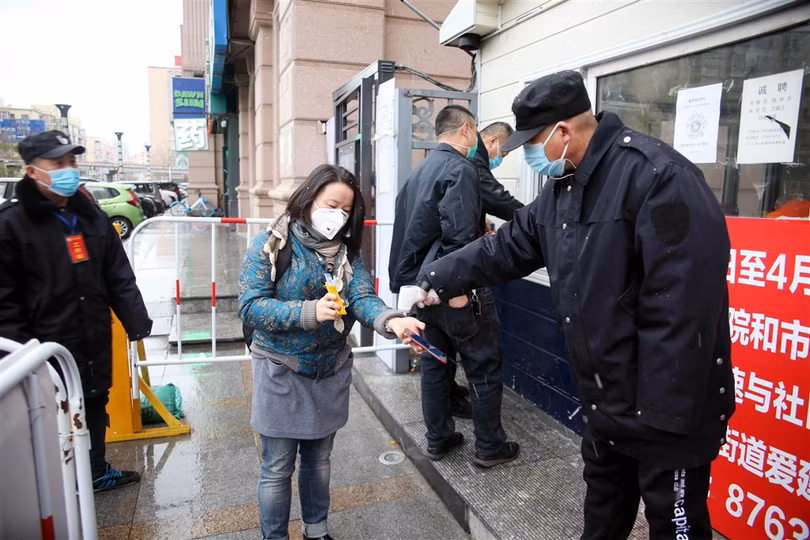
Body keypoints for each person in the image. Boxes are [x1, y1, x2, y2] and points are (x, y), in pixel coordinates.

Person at [404, 71, 734, 539]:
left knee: (674, 525)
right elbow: (506, 248)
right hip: (608, 398)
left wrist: (660, 423)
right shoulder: (563, 188)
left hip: (669, 409)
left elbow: (684, 313)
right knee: (602, 516)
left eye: (533, 142)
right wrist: (432, 280)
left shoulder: (659, 178)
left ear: (563, 132)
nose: (531, 157)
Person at [238, 164, 425, 540]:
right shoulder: (270, 244)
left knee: (318, 461)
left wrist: (392, 321)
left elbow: (361, 297)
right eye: (330, 205)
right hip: (280, 369)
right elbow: (250, 306)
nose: (336, 217)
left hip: (328, 370)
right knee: (277, 467)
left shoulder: (346, 254)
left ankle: (316, 530)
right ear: (309, 199)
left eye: (345, 210)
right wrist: (309, 312)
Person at [0, 131, 153, 491]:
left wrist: (136, 320)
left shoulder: (90, 217)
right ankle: (51, 483)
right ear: (33, 172)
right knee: (47, 413)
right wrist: (21, 355)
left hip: (91, 331)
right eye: (58, 164)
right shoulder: (11, 224)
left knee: (94, 400)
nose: (69, 170)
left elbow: (117, 273)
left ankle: (95, 470)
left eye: (72, 162)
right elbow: (4, 301)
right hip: (42, 343)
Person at [389, 104, 520, 468]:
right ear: (467, 130)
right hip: (453, 287)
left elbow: (414, 231)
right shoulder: (460, 168)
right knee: (483, 364)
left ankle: (439, 438)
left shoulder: (420, 172)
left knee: (436, 364)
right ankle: (490, 446)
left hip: (420, 288)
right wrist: (460, 291)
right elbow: (458, 236)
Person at [449, 121, 525, 418]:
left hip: (437, 270)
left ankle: (444, 421)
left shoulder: (442, 162)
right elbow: (498, 198)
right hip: (463, 271)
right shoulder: (474, 163)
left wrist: (479, 221)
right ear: (492, 142)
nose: (500, 160)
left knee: (442, 350)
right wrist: (535, 220)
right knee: (485, 355)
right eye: (502, 154)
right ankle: (489, 442)